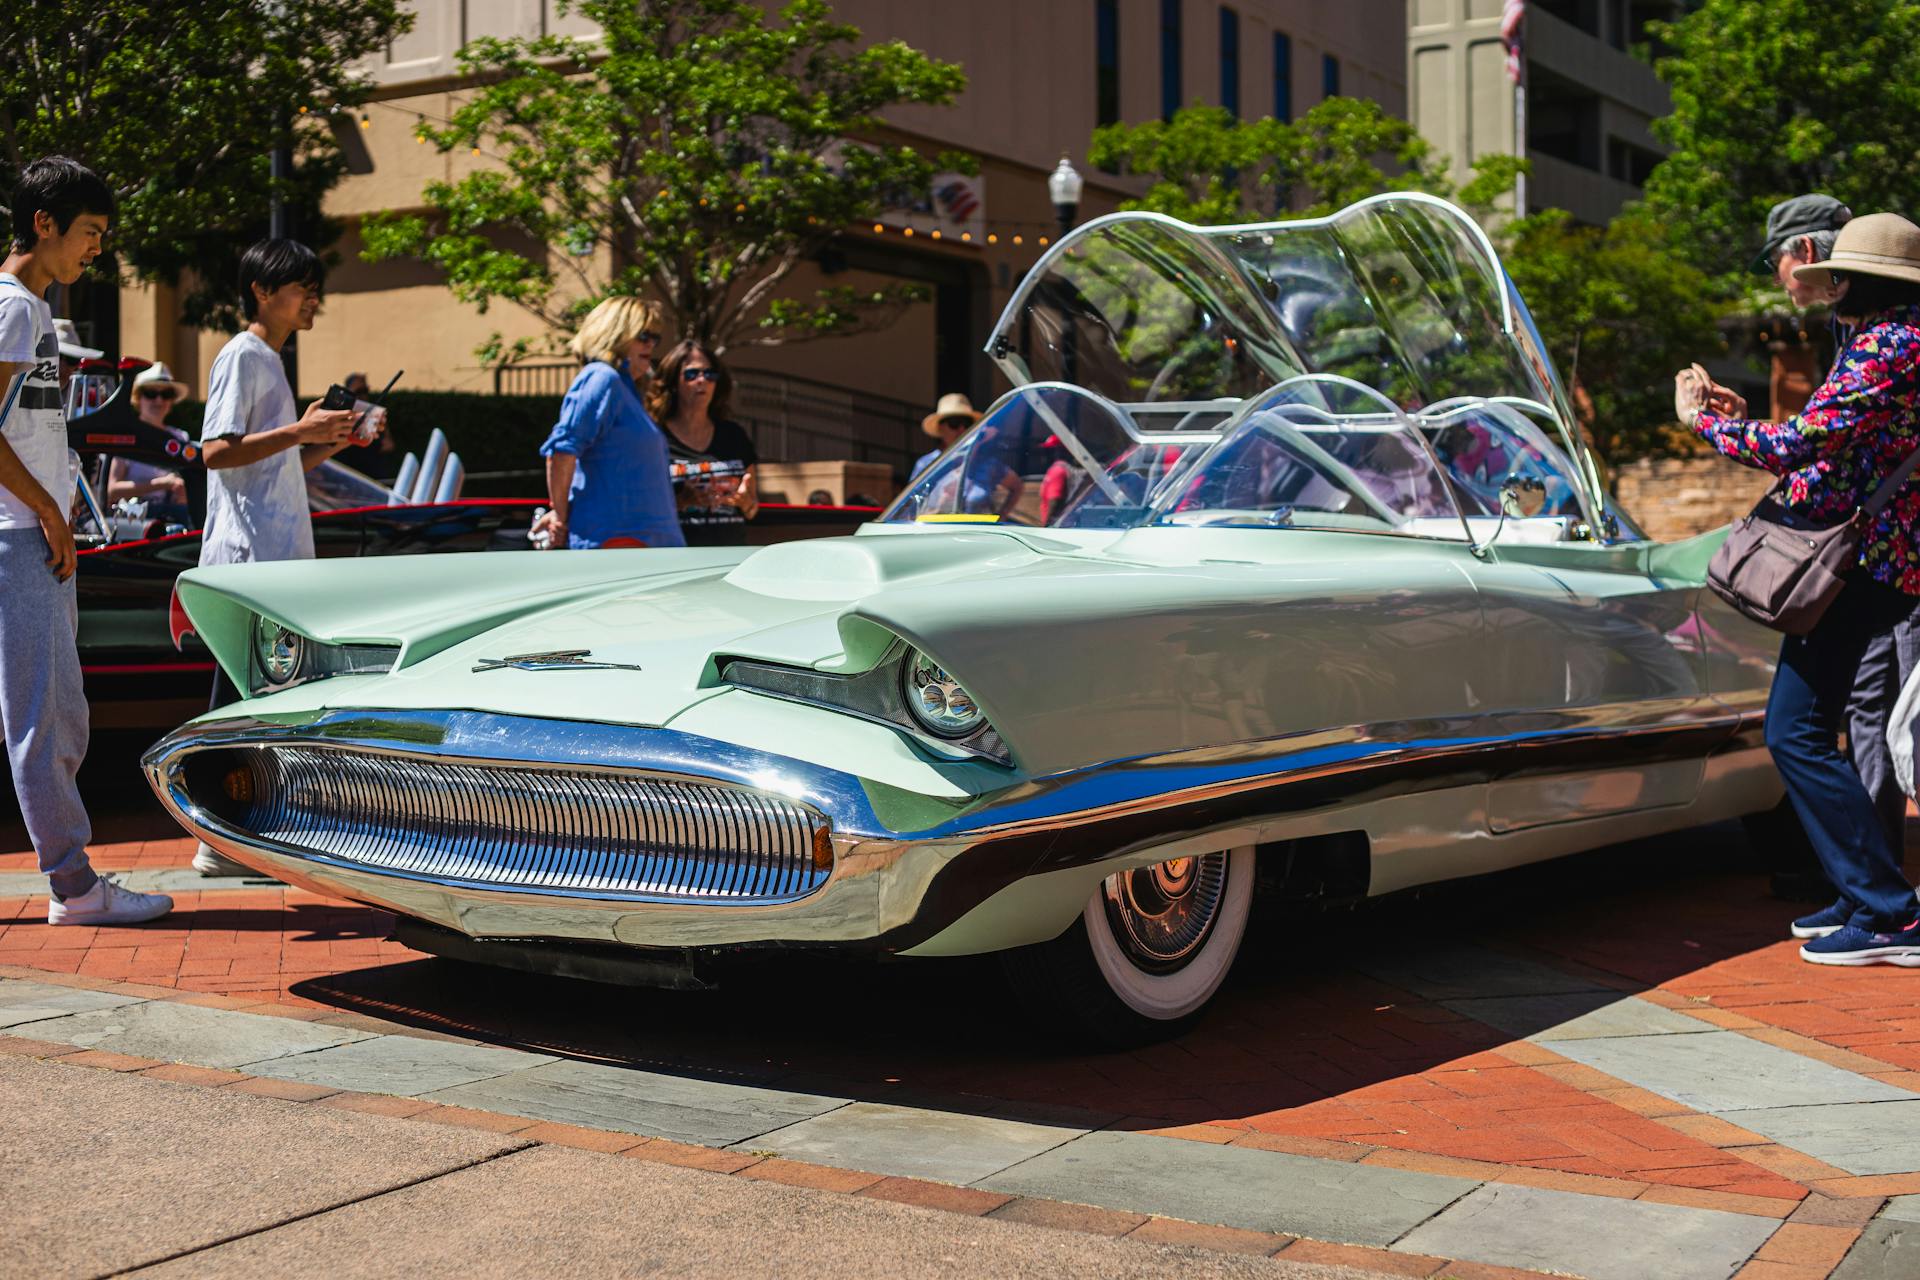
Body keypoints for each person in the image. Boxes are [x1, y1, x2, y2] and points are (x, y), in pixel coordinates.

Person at [1676, 211, 1920, 967]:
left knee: (1795, 731)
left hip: (1863, 563)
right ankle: (1862, 893)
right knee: (1816, 728)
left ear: (1865, 281)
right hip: (1875, 560)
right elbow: (1829, 447)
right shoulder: (1888, 340)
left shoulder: (1890, 346)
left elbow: (1803, 445)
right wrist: (1748, 423)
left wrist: (1702, 427)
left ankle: (1890, 912)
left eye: (1841, 276)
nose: (1832, 287)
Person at [0, 156, 170, 925]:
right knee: (51, 714)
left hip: (19, 532)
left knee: (42, 713)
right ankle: (75, 889)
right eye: (91, 232)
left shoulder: (22, 309)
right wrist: (48, 511)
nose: (97, 249)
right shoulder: (17, 310)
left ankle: (73, 882)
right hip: (17, 537)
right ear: (44, 224)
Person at [191, 239, 366, 876]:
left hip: (270, 558)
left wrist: (328, 440)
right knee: (239, 701)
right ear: (262, 291)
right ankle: (216, 833)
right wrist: (301, 430)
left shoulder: (265, 359)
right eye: (301, 286)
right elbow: (214, 451)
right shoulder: (245, 355)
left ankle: (228, 833)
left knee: (252, 699)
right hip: (248, 561)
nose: (312, 297)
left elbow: (274, 465)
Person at [534, 297, 683, 551]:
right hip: (619, 543)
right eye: (643, 336)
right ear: (615, 336)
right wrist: (559, 514)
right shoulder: (602, 378)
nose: (651, 345)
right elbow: (563, 451)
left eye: (654, 338)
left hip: (644, 543)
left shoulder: (624, 387)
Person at [648, 340, 757, 545]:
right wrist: (681, 502)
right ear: (673, 382)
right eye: (692, 374)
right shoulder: (655, 438)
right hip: (678, 558)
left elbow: (752, 510)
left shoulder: (734, 436)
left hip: (729, 558)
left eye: (710, 374)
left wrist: (745, 502)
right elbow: (642, 510)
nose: (702, 380)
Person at [910, 392, 1024, 516]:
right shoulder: (926, 464)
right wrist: (941, 506)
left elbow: (1017, 487)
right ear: (940, 428)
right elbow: (912, 508)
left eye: (967, 423)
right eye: (954, 423)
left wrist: (1001, 517)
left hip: (978, 534)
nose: (962, 429)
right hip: (936, 533)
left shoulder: (986, 464)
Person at [106, 362, 192, 523]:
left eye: (166, 394)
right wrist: (161, 484)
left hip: (172, 520)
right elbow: (112, 491)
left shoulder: (180, 438)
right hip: (133, 521)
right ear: (138, 399)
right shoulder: (125, 437)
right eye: (151, 393)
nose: (159, 401)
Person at [332, 370, 398, 478]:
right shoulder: (342, 415)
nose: (363, 395)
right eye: (359, 391)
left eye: (365, 390)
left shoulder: (375, 415)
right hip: (349, 476)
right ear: (348, 392)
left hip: (373, 476)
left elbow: (389, 445)